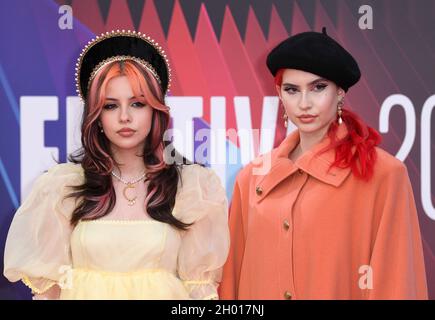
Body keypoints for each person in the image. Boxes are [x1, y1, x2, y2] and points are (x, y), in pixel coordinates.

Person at [4, 30, 229, 300]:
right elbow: (49, 293)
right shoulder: (64, 187)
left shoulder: (191, 188)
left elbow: (201, 290)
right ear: (96, 116)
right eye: (111, 106)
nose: (125, 117)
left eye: (137, 103)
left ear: (156, 110)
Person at [219, 28, 428, 300]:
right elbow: (231, 283)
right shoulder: (251, 178)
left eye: (318, 88)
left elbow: (396, 281)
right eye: (292, 90)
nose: (304, 103)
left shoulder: (384, 175)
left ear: (340, 92)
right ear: (279, 95)